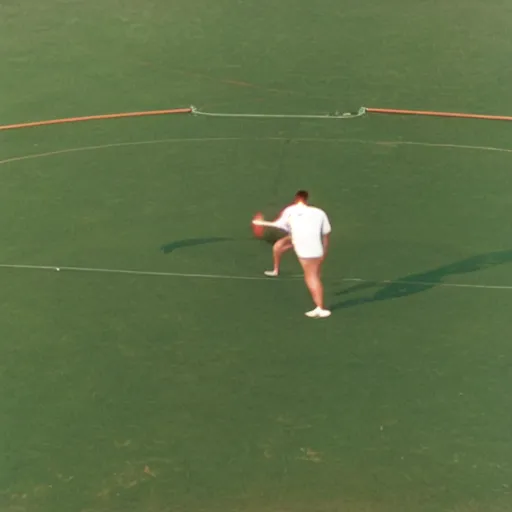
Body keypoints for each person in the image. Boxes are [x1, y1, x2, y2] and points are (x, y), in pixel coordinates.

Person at [265, 190, 332, 318]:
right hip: (317, 248)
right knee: (314, 274)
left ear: (296, 199)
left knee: (310, 277)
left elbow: (280, 225)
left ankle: (320, 308)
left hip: (304, 249)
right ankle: (319, 304)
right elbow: (326, 233)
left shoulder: (290, 210)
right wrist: (324, 250)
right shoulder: (319, 212)